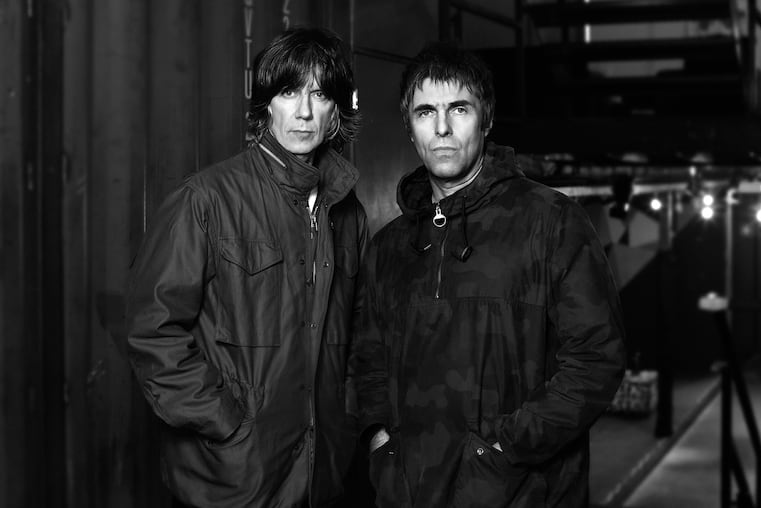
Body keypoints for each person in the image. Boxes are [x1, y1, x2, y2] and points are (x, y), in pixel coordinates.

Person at [353, 42, 626, 507]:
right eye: (425, 112)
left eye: (458, 108)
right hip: (409, 494)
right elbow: (367, 362)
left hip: (520, 492)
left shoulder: (551, 221)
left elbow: (596, 361)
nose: (442, 127)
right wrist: (383, 444)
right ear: (409, 126)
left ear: (487, 118)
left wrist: (504, 447)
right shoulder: (389, 247)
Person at [125, 27, 367, 507]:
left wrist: (350, 418)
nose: (303, 111)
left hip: (325, 475)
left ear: (336, 110)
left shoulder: (347, 210)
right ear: (266, 106)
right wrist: (228, 423)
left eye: (319, 94)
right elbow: (153, 332)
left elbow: (357, 333)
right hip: (233, 479)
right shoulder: (206, 200)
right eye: (288, 92)